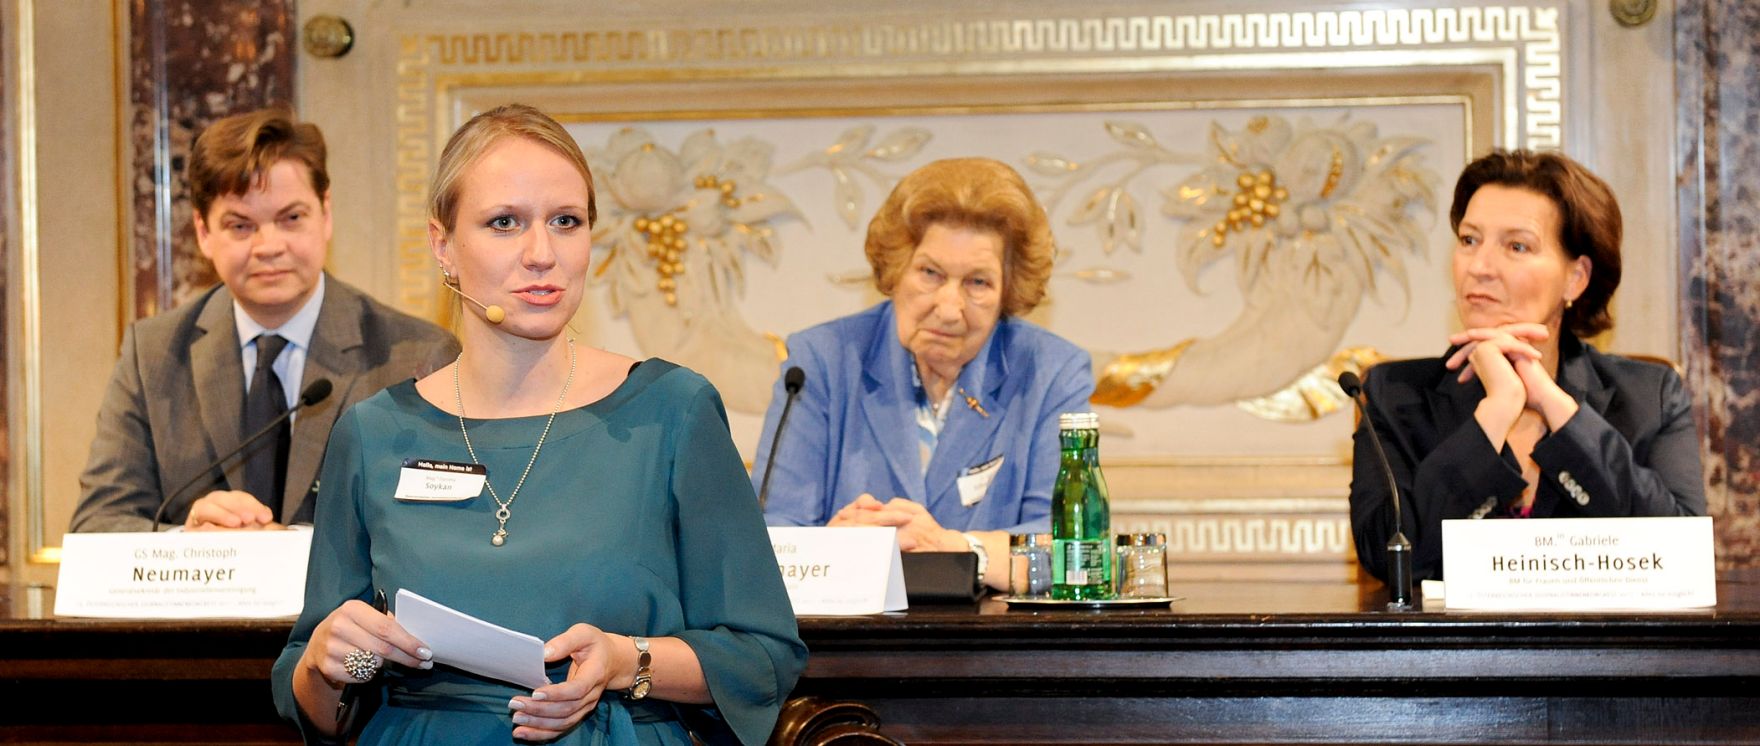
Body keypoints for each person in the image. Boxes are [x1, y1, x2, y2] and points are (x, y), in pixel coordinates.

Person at [272, 104, 805, 745]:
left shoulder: (672, 410)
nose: (542, 254)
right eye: (505, 223)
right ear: (443, 245)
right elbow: (319, 705)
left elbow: (761, 656)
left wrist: (625, 661)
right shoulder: (373, 432)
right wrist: (330, 663)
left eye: (565, 221)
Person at [72, 108, 456, 532]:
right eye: (241, 226)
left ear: (325, 214)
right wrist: (189, 543)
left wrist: (296, 547)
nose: (269, 246)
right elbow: (96, 525)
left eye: (291, 218)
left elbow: (443, 531)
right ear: (203, 232)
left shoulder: (417, 357)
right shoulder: (152, 355)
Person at [1348, 149, 1705, 582]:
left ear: (1575, 278)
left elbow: (1682, 556)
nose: (1479, 267)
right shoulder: (1393, 395)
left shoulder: (1649, 397)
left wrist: (1558, 409)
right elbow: (1390, 557)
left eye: (1517, 246)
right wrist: (1496, 412)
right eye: (1469, 240)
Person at [752, 157, 1093, 591]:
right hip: (849, 632)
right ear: (896, 270)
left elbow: (1071, 549)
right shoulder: (820, 361)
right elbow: (769, 536)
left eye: (978, 283)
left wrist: (955, 549)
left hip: (992, 633)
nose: (948, 309)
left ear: (1008, 290)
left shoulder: (1052, 372)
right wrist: (839, 548)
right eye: (931, 273)